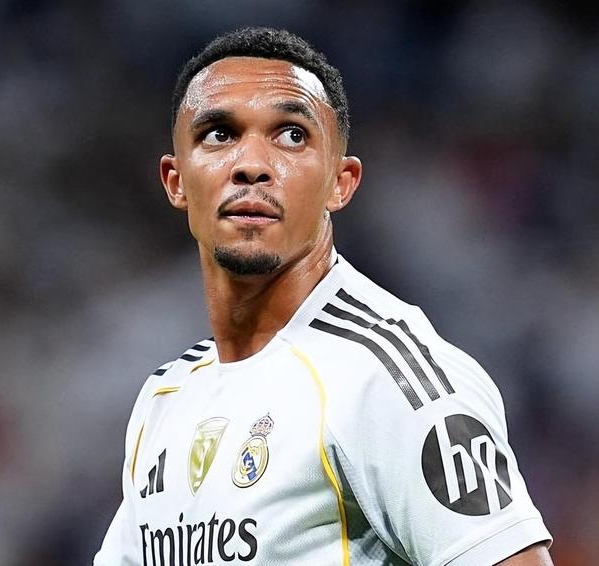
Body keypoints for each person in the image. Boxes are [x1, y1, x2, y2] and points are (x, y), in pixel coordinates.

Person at [93, 27, 553, 566]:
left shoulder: (386, 378)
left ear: (341, 182)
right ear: (175, 181)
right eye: (219, 134)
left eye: (291, 135)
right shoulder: (165, 397)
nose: (251, 164)